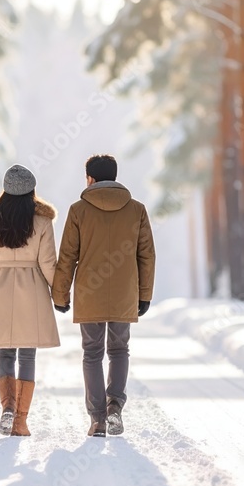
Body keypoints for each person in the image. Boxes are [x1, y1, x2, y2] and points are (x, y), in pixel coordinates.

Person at [52, 155, 156, 437]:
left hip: (90, 291)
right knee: (120, 350)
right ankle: (115, 407)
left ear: (90, 179)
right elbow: (146, 255)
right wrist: (144, 294)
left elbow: (67, 257)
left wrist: (60, 295)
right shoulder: (137, 210)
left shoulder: (77, 211)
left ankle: (97, 419)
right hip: (125, 292)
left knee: (92, 353)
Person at [0, 164, 61, 437]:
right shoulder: (42, 222)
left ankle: (7, 408)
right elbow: (48, 263)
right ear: (32, 191)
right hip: (32, 289)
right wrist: (60, 295)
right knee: (27, 355)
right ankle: (21, 420)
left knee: (5, 352)